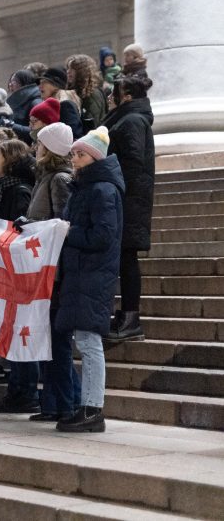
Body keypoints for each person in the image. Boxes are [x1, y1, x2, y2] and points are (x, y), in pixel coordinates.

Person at [55, 127, 124, 433]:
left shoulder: (102, 190)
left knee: (89, 341)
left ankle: (93, 410)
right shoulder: (84, 187)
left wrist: (68, 232)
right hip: (81, 271)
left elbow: (104, 235)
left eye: (80, 154)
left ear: (94, 158)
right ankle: (87, 407)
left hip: (93, 273)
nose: (74, 158)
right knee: (84, 340)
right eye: (73, 153)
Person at [24, 122, 80, 422]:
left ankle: (69, 402)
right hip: (42, 266)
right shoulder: (44, 177)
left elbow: (61, 222)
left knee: (56, 341)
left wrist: (34, 226)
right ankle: (53, 404)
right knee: (47, 339)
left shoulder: (59, 178)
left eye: (41, 144)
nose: (36, 148)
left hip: (53, 270)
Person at [0, 139, 38, 413]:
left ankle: (24, 392)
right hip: (2, 269)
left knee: (19, 332)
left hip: (16, 269)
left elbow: (19, 229)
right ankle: (16, 390)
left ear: (11, 159)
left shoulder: (19, 190)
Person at [103, 74, 155, 342]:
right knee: (123, 259)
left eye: (113, 92)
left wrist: (115, 188)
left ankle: (131, 318)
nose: (109, 98)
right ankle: (124, 316)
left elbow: (133, 163)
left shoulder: (132, 120)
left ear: (126, 96)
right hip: (124, 197)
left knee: (127, 259)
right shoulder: (125, 119)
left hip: (128, 200)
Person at [38, 67, 83, 138]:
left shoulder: (65, 105)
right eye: (40, 83)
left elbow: (72, 135)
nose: (40, 86)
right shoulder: (53, 104)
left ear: (55, 85)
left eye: (44, 82)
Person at [66, 54, 107, 128]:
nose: (68, 72)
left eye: (72, 69)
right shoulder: (74, 91)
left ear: (82, 71)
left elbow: (93, 122)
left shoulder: (92, 93)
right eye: (68, 68)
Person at [6, 70, 42, 142]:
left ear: (23, 82)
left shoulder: (36, 102)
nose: (10, 84)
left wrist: (10, 125)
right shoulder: (16, 103)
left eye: (13, 81)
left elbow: (38, 131)